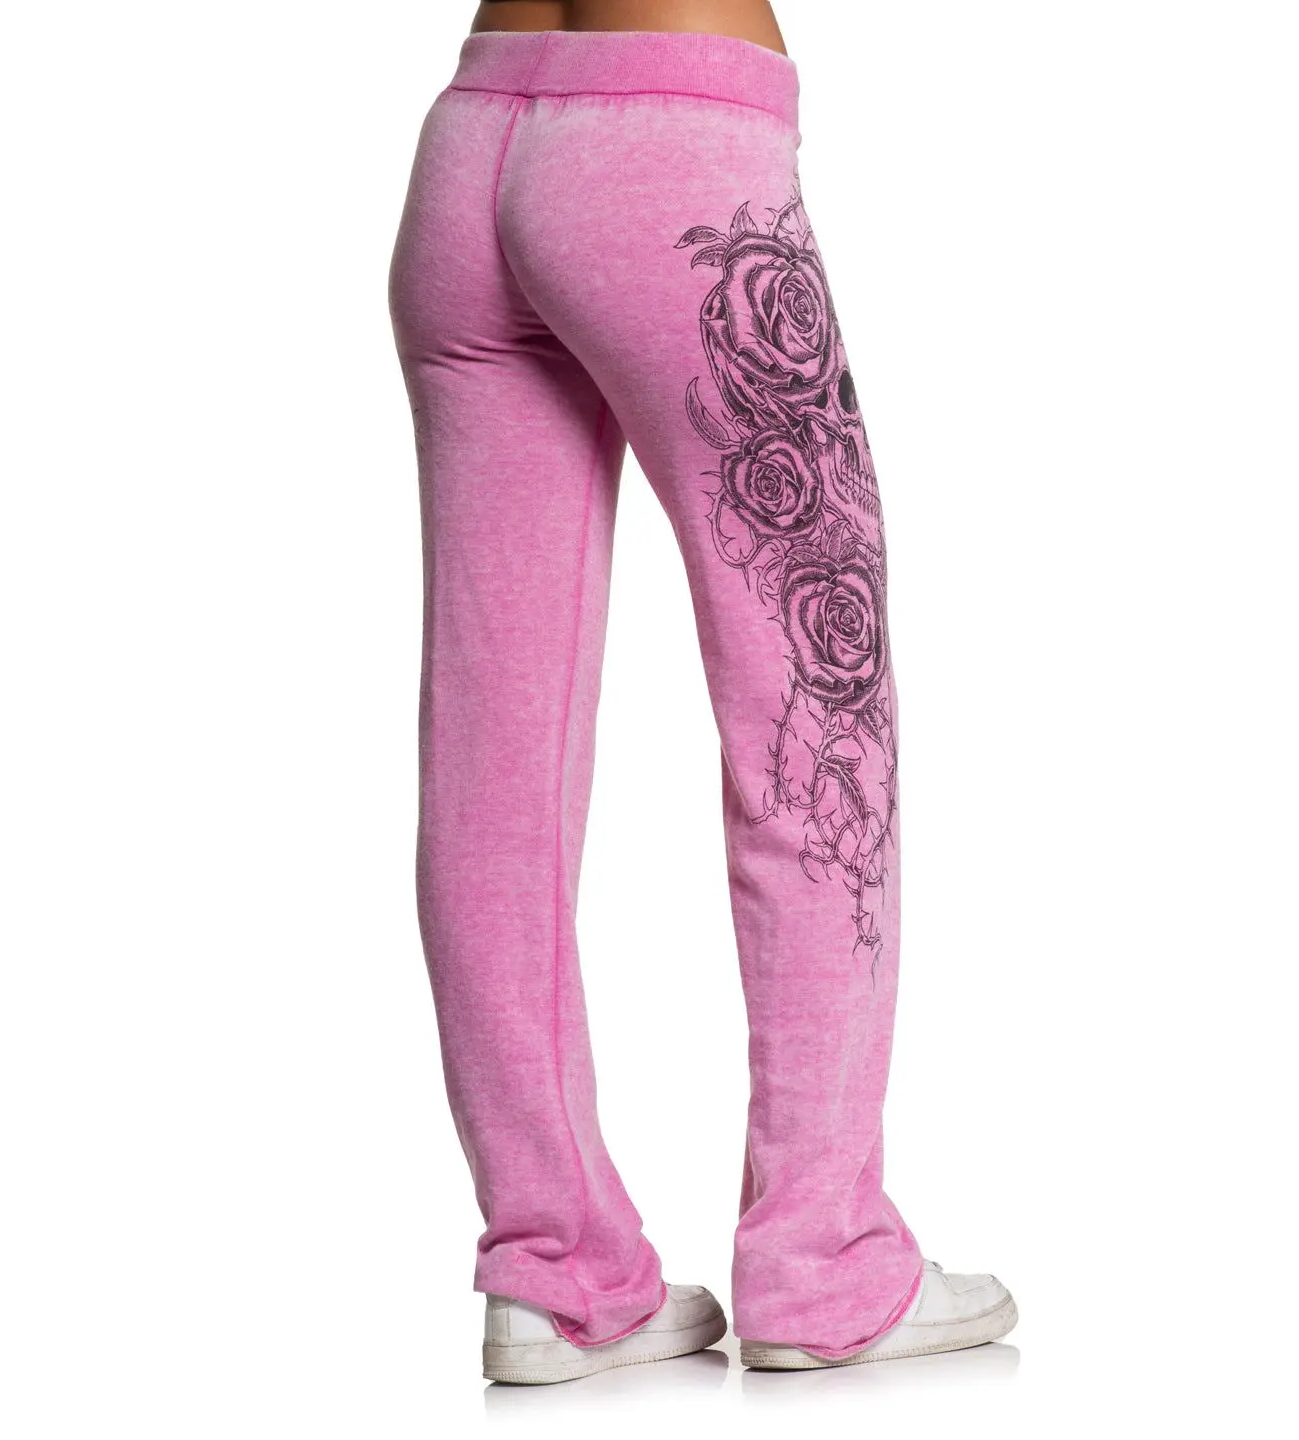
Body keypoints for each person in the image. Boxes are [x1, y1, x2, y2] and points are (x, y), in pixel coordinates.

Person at [389, 0, 1015, 1384]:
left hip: (473, 140)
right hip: (671, 151)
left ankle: (555, 1270)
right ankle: (821, 1260)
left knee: (492, 752)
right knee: (814, 696)